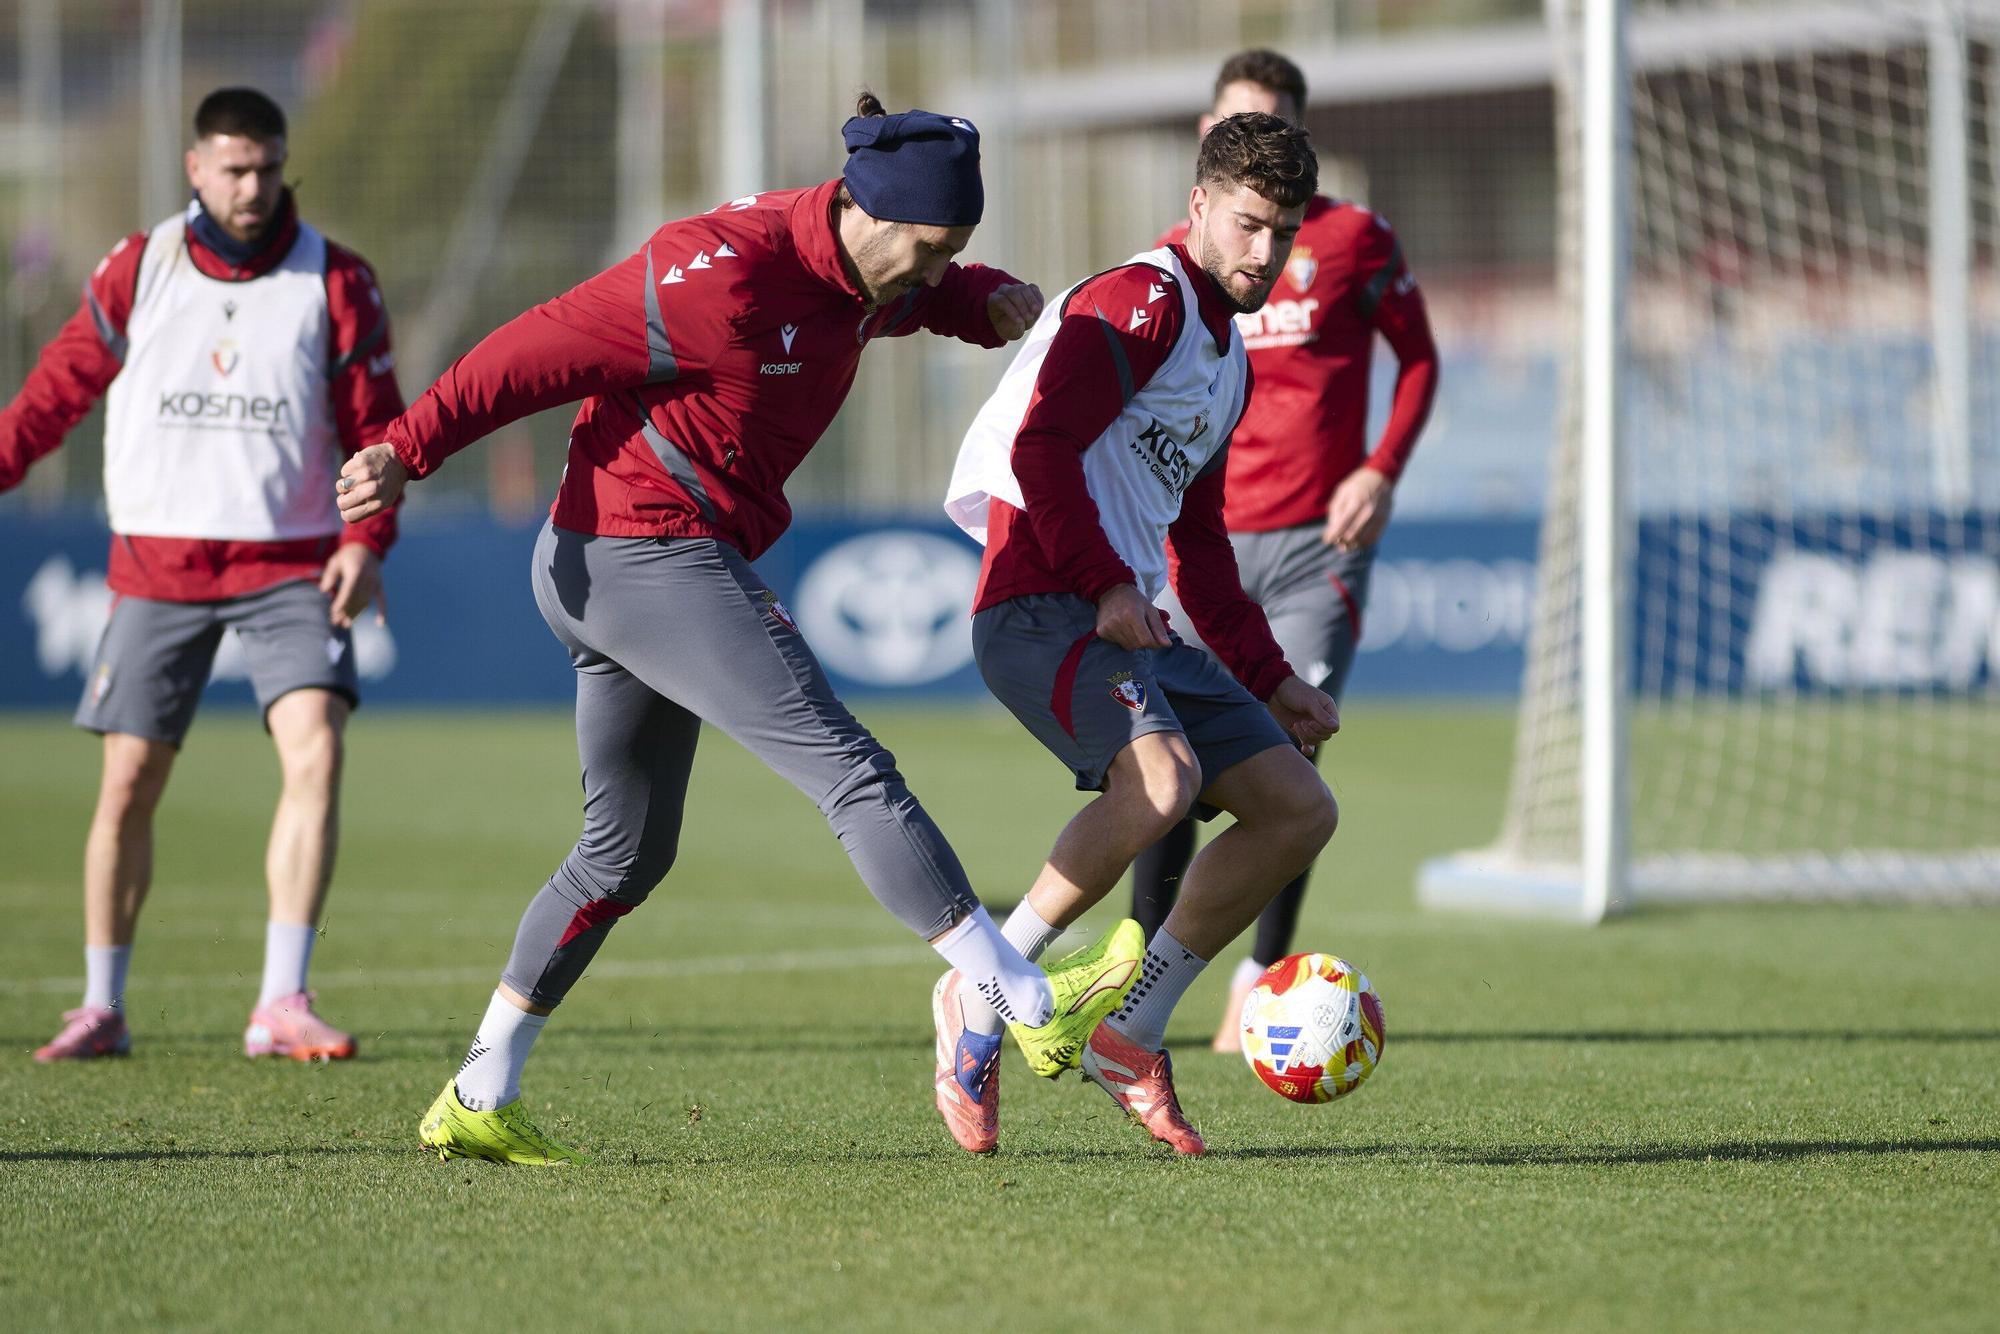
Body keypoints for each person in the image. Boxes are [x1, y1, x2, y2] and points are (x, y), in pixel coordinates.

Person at [334, 96, 1143, 1166]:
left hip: (626, 559)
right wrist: (407, 447)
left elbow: (910, 304)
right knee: (852, 772)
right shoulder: (716, 271)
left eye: (955, 251)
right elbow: (535, 348)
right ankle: (1023, 993)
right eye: (935, 249)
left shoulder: (867, 272)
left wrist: (982, 298)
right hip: (641, 552)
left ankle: (479, 1085)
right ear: (869, 211)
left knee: (621, 854)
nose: (935, 268)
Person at [940, 111, 1342, 1157]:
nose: (1265, 252)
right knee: (1158, 783)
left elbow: (1200, 546)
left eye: (1283, 234)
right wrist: (1106, 582)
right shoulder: (1141, 301)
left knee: (1296, 808)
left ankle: (1131, 1033)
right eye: (1249, 225)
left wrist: (1273, 679)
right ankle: (979, 990)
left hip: (1124, 616)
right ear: (1200, 203)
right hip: (1036, 601)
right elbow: (1040, 448)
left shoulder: (1227, 357)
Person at [0, 88, 402, 1064]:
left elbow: (378, 433)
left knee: (317, 748)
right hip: (158, 561)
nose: (252, 186)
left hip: (291, 561)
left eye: (266, 167)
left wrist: (365, 540)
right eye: (232, 169)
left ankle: (281, 1000)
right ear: (195, 169)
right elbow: (53, 395)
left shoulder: (337, 280)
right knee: (128, 779)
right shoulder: (139, 269)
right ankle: (101, 1003)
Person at [1135, 50, 1439, 1050]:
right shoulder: (1172, 267)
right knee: (1164, 756)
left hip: (1316, 545)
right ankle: (1136, 967)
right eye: (1236, 121)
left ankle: (1260, 979)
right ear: (1204, 141)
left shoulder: (1354, 240)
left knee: (1290, 748)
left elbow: (1419, 357)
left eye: (1274, 122)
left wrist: (1379, 468)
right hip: (1199, 551)